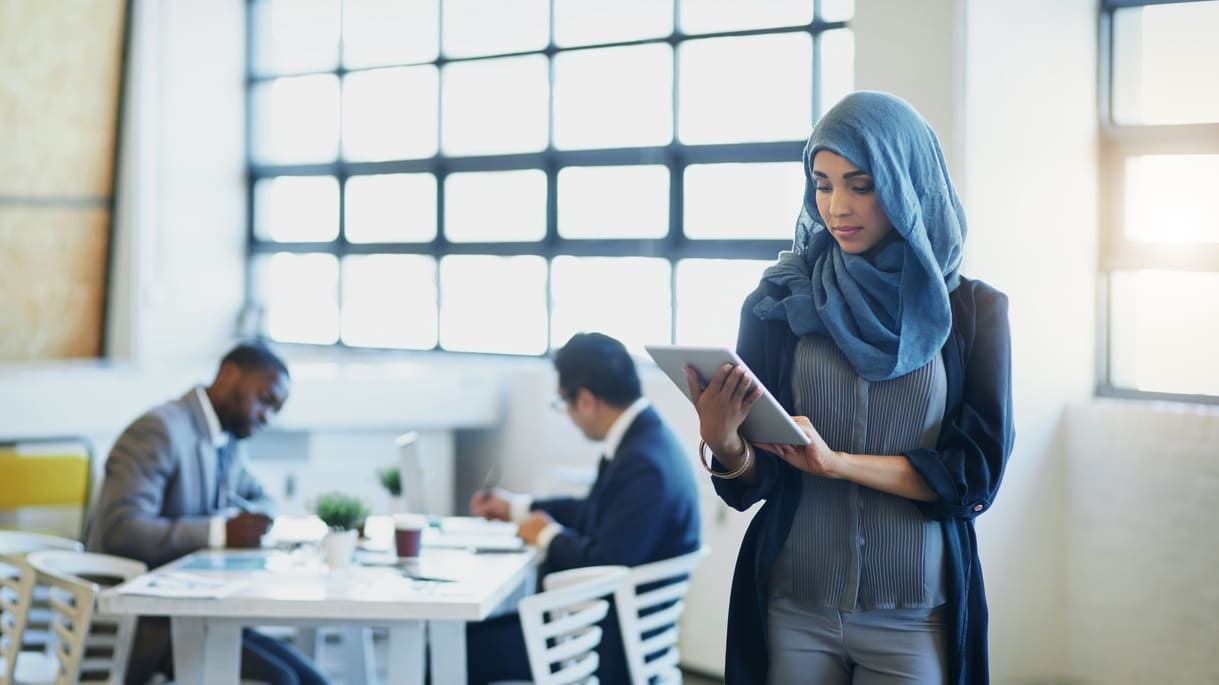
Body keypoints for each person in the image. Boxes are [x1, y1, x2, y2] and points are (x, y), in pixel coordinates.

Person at [687, 92, 1014, 685]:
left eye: (860, 184)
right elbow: (753, 486)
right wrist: (726, 445)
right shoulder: (777, 304)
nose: (837, 206)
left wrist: (840, 464)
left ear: (905, 182)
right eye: (822, 183)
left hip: (915, 615)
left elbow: (973, 477)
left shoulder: (972, 313)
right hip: (793, 607)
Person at [86, 342, 328, 685]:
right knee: (282, 680)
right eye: (264, 399)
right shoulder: (159, 430)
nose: (266, 417)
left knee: (313, 680)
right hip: (143, 624)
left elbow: (261, 498)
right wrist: (220, 532)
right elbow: (120, 530)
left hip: (199, 613)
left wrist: (251, 520)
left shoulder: (226, 438)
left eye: (275, 409)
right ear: (230, 375)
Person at [466, 332, 701, 684]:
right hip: (616, 627)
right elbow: (594, 511)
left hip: (601, 644)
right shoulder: (646, 438)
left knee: (459, 643)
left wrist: (545, 534)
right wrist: (517, 508)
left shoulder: (643, 463)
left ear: (587, 400)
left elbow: (606, 561)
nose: (569, 415)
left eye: (564, 402)